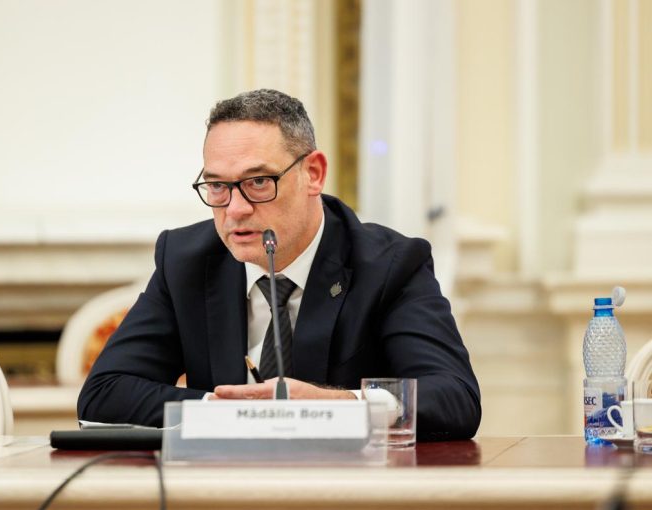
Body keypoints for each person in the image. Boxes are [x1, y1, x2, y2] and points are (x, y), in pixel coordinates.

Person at [78, 89, 481, 441]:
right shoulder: (186, 260)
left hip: (348, 488)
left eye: (258, 182)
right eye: (217, 186)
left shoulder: (389, 265)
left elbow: (454, 397)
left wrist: (338, 406)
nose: (235, 209)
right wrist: (231, 412)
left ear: (313, 174)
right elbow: (104, 393)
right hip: (219, 486)